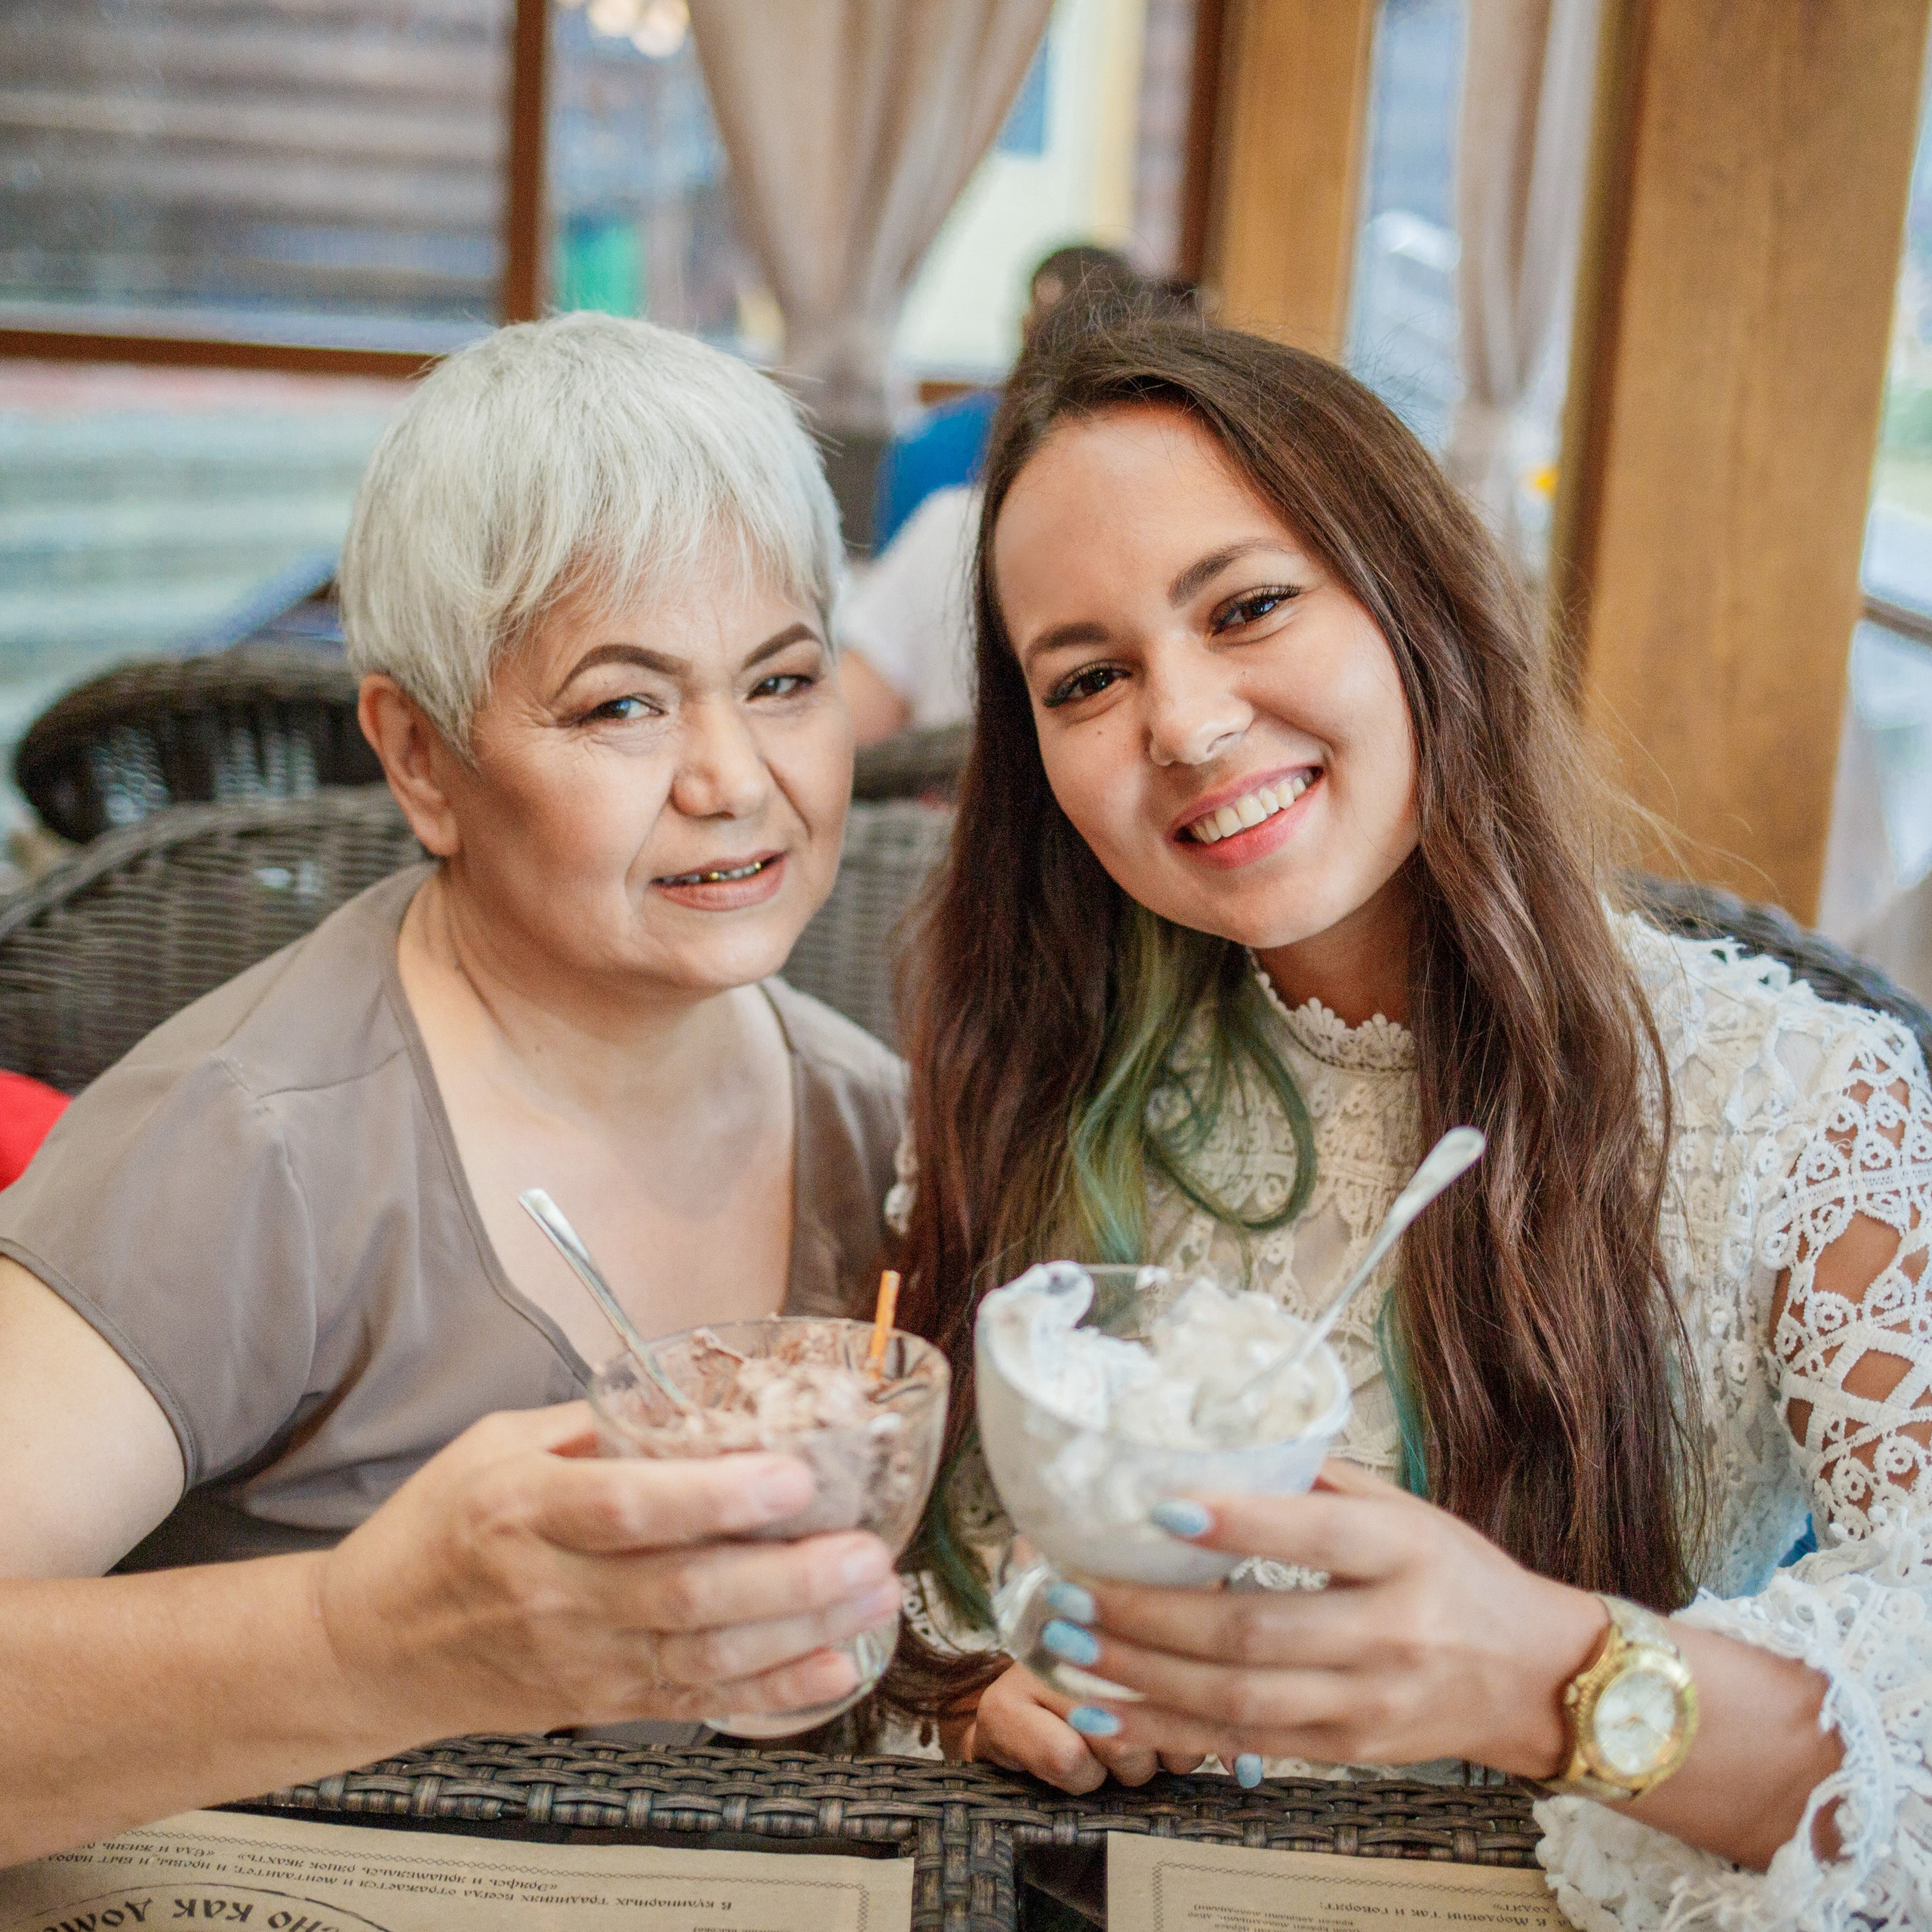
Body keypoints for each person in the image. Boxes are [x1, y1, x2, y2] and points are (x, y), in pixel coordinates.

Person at [888, 311, 1932, 1926]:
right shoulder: (1022, 1075)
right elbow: (913, 1585)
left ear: (1415, 600)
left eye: (1244, 606)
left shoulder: (1795, 1103)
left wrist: (1540, 1672)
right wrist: (971, 1689)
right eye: (1086, 676)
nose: (1181, 720)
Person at [0, 312, 908, 1860]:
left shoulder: (876, 1121)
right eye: (624, 702)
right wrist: (366, 1641)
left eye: (781, 679)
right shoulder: (255, 1145)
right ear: (419, 758)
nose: (730, 777)